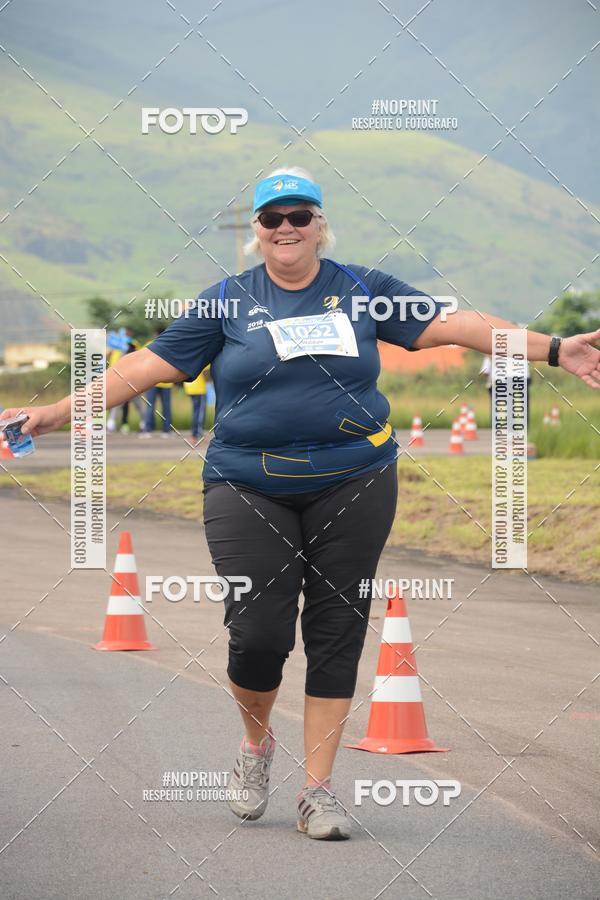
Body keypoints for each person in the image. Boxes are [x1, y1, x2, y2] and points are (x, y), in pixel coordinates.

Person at [4, 167, 599, 842]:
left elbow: (458, 325)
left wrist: (553, 348)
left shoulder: (365, 290)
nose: (286, 228)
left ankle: (318, 791)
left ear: (320, 224)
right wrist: (56, 410)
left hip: (356, 478)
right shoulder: (225, 301)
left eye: (299, 216)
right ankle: (256, 745)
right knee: (257, 635)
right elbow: (142, 368)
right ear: (256, 231)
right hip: (245, 481)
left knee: (336, 630)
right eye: (272, 218)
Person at [139, 327, 173, 438]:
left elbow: (142, 361)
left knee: (150, 406)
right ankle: (166, 431)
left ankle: (148, 430)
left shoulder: (150, 344)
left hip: (152, 381)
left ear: (155, 334)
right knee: (166, 407)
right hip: (167, 381)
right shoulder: (170, 344)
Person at [182, 366, 209, 443]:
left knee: (195, 412)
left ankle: (195, 434)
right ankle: (197, 435)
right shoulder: (204, 356)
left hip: (189, 387)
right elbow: (206, 374)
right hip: (199, 389)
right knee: (200, 413)